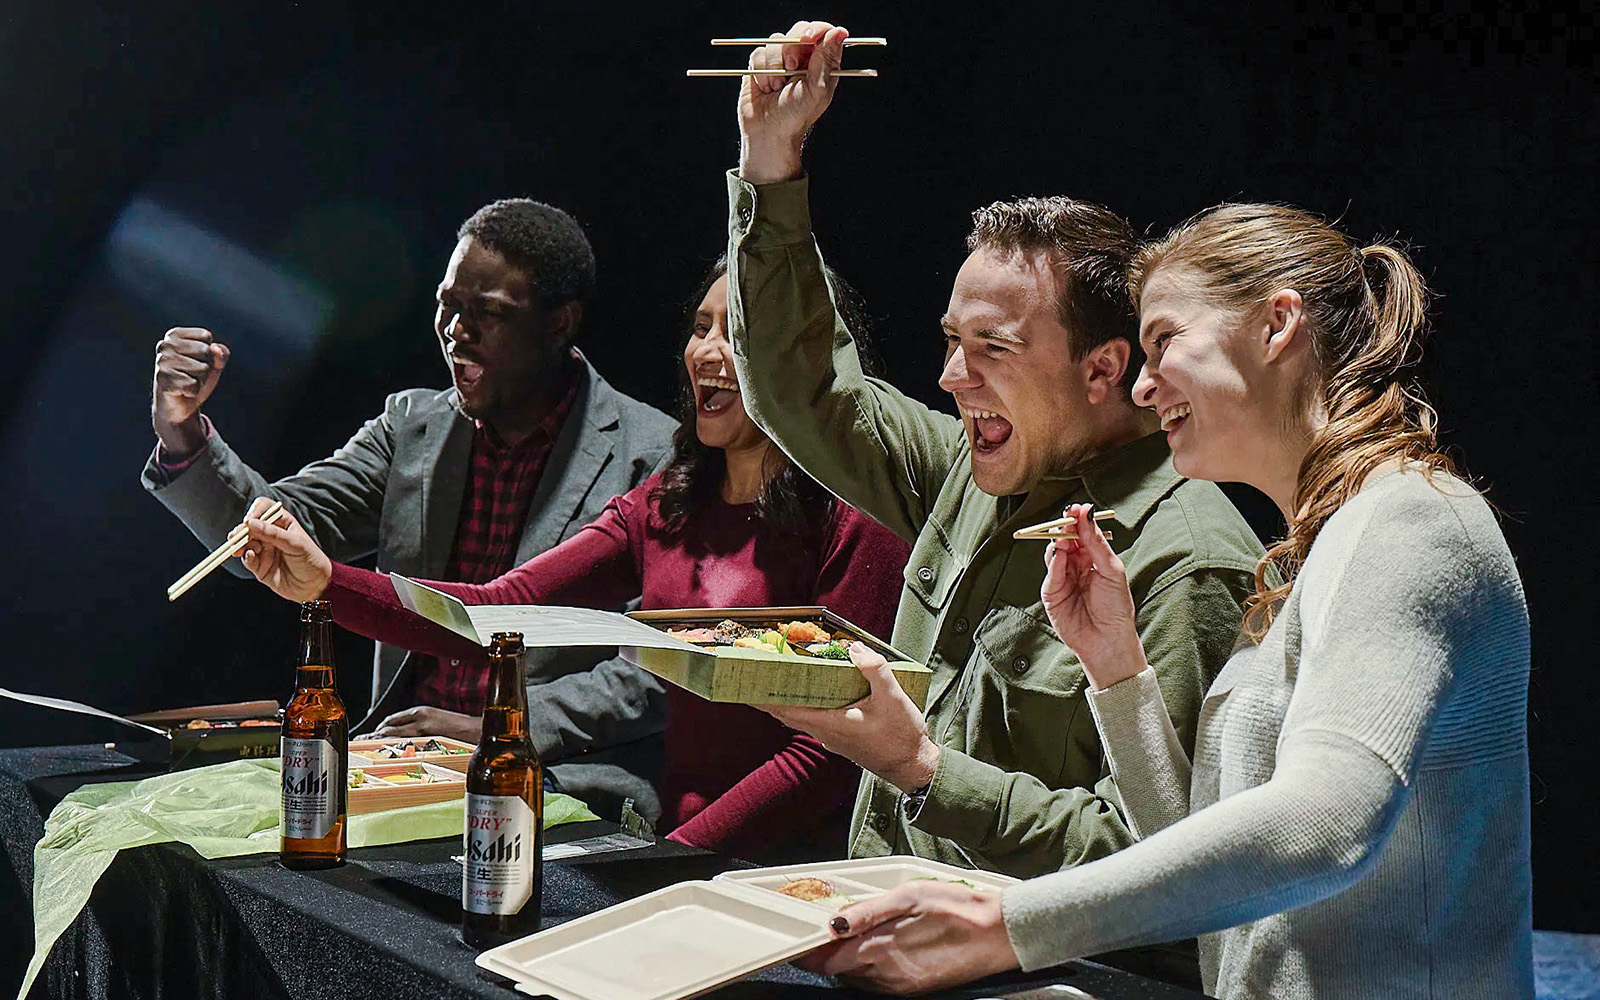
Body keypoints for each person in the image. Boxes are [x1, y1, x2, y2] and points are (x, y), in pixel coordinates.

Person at [807, 205, 1534, 999]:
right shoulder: (1318, 549)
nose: (1144, 387)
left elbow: (1324, 827)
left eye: (1163, 343)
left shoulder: (1411, 521)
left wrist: (1008, 925)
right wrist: (1117, 669)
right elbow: (1187, 854)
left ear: (1276, 325)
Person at [727, 23, 1264, 878]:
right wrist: (770, 163)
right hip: (880, 922)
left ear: (1103, 370)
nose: (949, 379)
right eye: (950, 341)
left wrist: (922, 770)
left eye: (993, 350)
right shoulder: (971, 470)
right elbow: (805, 387)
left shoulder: (1188, 560)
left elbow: (1160, 867)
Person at [236, 259, 912, 860]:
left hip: (794, 873)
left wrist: (674, 863)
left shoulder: (857, 515)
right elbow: (500, 613)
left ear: (806, 357)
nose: (707, 351)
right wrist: (325, 582)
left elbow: (830, 752)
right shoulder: (667, 502)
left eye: (736, 334)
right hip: (674, 851)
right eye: (701, 327)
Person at [143, 198, 677, 814]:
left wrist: (502, 727)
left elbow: (654, 673)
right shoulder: (412, 426)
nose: (455, 330)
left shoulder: (651, 454)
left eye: (488, 314)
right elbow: (269, 537)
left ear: (559, 324)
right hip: (402, 765)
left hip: (557, 777)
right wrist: (181, 431)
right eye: (447, 306)